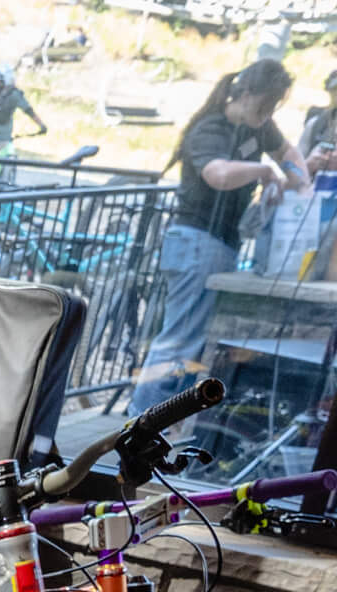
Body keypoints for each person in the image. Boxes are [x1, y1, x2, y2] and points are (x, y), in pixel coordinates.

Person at [131, 61, 310, 409]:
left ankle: (155, 417)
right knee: (179, 340)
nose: (269, 112)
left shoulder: (258, 128)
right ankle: (142, 417)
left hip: (219, 244)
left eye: (274, 106)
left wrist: (300, 182)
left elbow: (287, 153)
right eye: (265, 104)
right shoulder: (210, 129)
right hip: (195, 241)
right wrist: (262, 170)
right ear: (245, 95)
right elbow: (218, 175)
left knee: (190, 341)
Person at [0, 66, 46, 163]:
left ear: (5, 81)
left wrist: (41, 125)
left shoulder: (12, 95)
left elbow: (29, 110)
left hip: (0, 137)